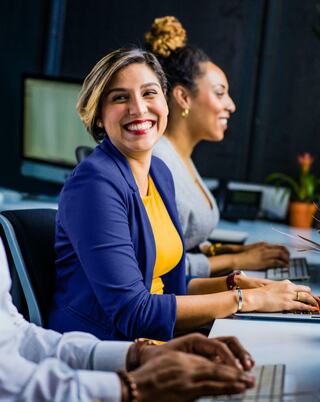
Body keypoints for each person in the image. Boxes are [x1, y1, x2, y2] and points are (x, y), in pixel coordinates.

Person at [48, 47, 319, 343]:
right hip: (106, 350)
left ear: (165, 101)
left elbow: (169, 288)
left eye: (149, 93)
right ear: (99, 116)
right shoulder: (93, 184)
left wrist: (236, 284)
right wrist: (246, 300)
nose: (138, 108)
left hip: (155, 341)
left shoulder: (159, 173)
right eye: (120, 97)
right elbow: (133, 311)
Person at [0, 238, 256, 401]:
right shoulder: (94, 184)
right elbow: (8, 384)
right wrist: (130, 386)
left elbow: (15, 336)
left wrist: (136, 356)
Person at [147, 16, 290, 278]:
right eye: (220, 93)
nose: (231, 105)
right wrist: (237, 260)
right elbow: (162, 268)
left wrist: (229, 251)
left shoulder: (181, 157)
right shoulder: (158, 163)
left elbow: (185, 244)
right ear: (183, 97)